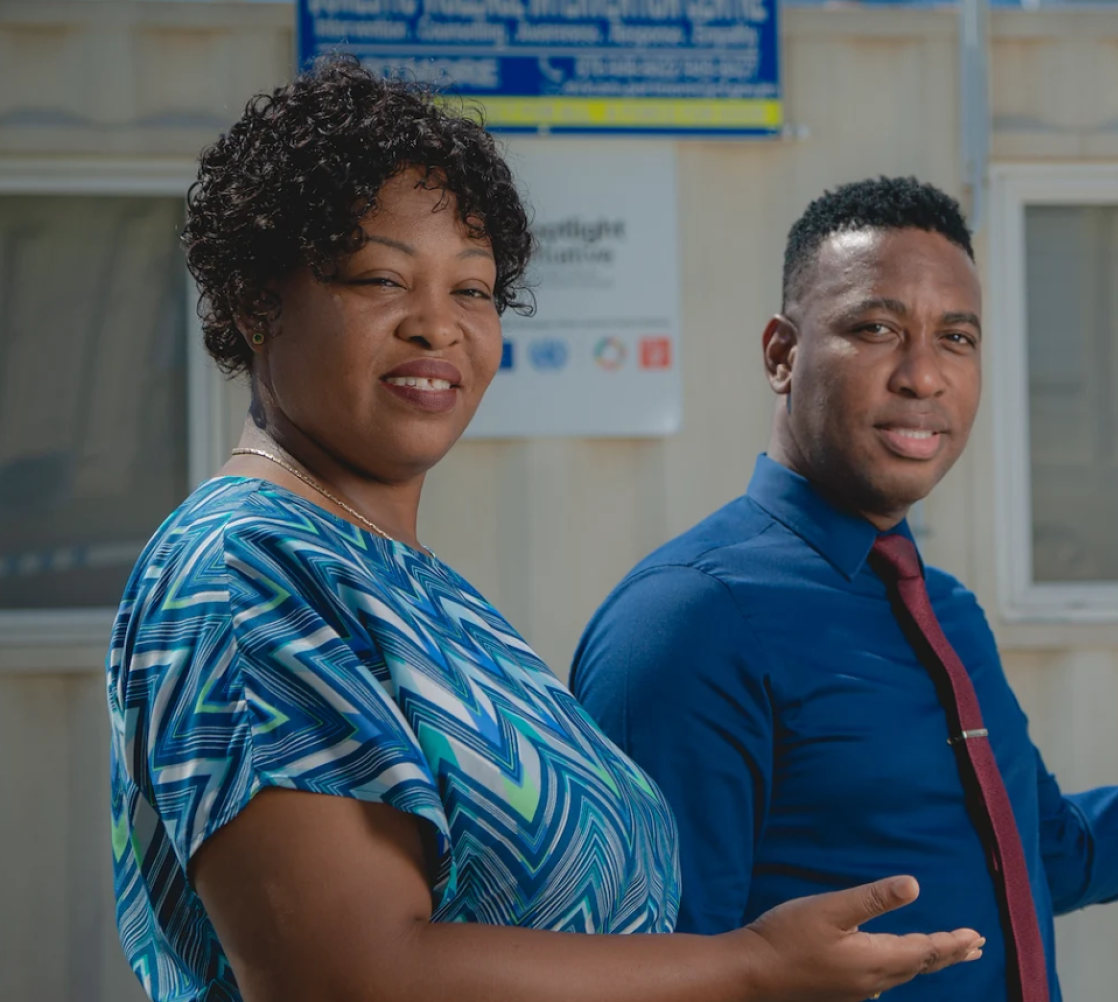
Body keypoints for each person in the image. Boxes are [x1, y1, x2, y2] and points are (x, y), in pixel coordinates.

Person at [107, 67, 983, 1002]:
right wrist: (750, 966)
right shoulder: (244, 571)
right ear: (256, 301)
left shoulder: (406, 580)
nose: (437, 326)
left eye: (474, 290)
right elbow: (348, 976)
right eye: (380, 278)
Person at [572, 176, 1118, 1002]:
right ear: (781, 354)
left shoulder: (944, 611)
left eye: (956, 338)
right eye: (875, 328)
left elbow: (1045, 856)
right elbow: (646, 972)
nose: (923, 376)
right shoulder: (690, 619)